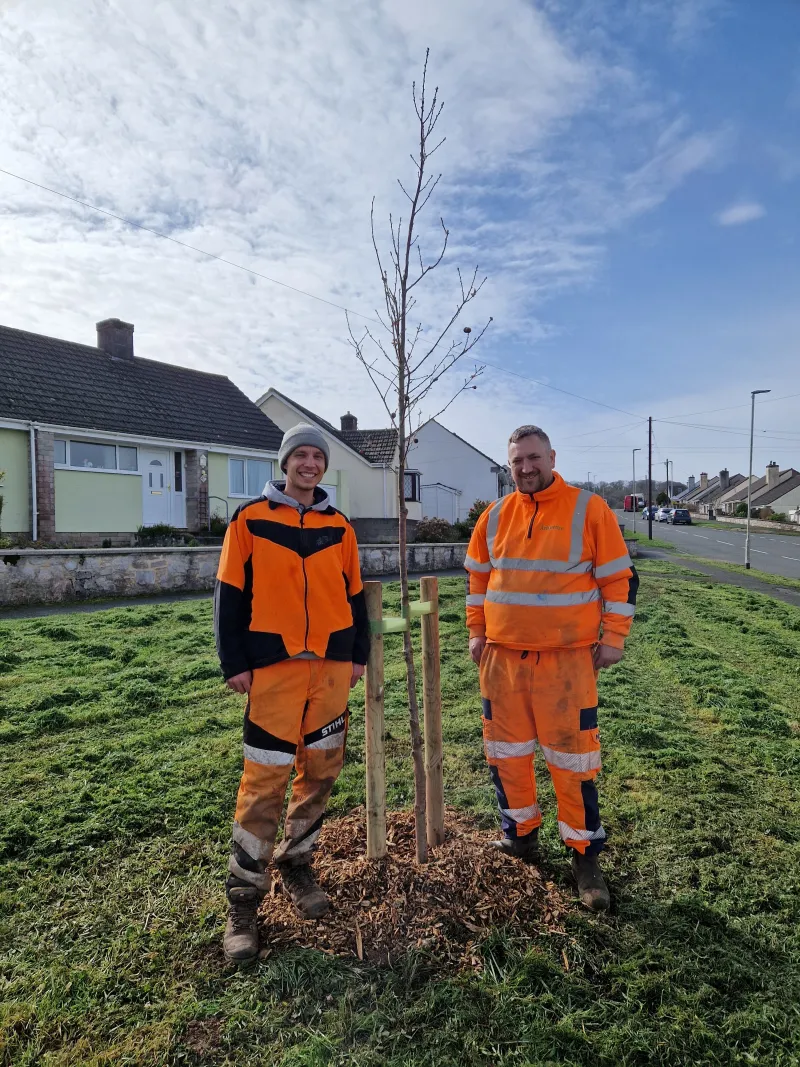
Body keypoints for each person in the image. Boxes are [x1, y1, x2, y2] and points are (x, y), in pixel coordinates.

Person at [465, 425, 638, 911]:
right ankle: (519, 835)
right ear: (509, 464)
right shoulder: (494, 517)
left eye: (534, 458)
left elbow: (618, 580)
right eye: (517, 460)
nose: (526, 468)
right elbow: (477, 581)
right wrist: (476, 632)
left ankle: (584, 854)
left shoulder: (590, 509)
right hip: (501, 660)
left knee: (573, 760)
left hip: (567, 662)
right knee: (506, 754)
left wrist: (614, 639)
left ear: (552, 457)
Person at [214, 423, 369, 962]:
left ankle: (297, 863)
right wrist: (233, 661)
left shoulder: (340, 526)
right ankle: (243, 901)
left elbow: (354, 599)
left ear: (324, 466)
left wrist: (358, 656)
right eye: (299, 455)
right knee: (264, 780)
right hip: (273, 671)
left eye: (316, 456)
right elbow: (229, 596)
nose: (308, 464)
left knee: (322, 769)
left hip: (329, 670)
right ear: (284, 463)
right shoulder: (250, 520)